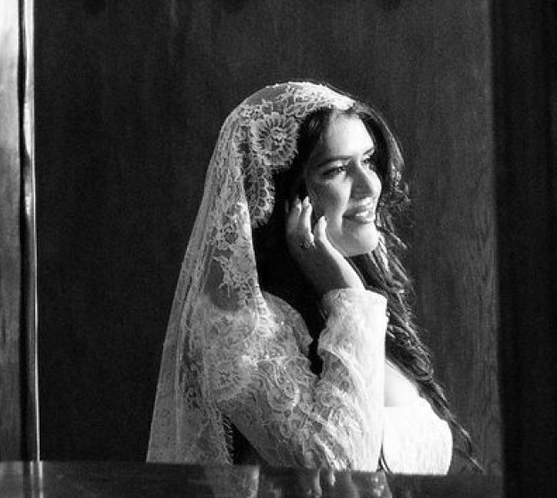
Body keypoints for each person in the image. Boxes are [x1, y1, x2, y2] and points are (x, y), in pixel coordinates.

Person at [147, 80, 472, 474]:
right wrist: (345, 293)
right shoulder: (241, 326)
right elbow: (341, 468)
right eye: (336, 170)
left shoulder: (366, 306)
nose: (370, 185)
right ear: (283, 198)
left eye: (368, 160)